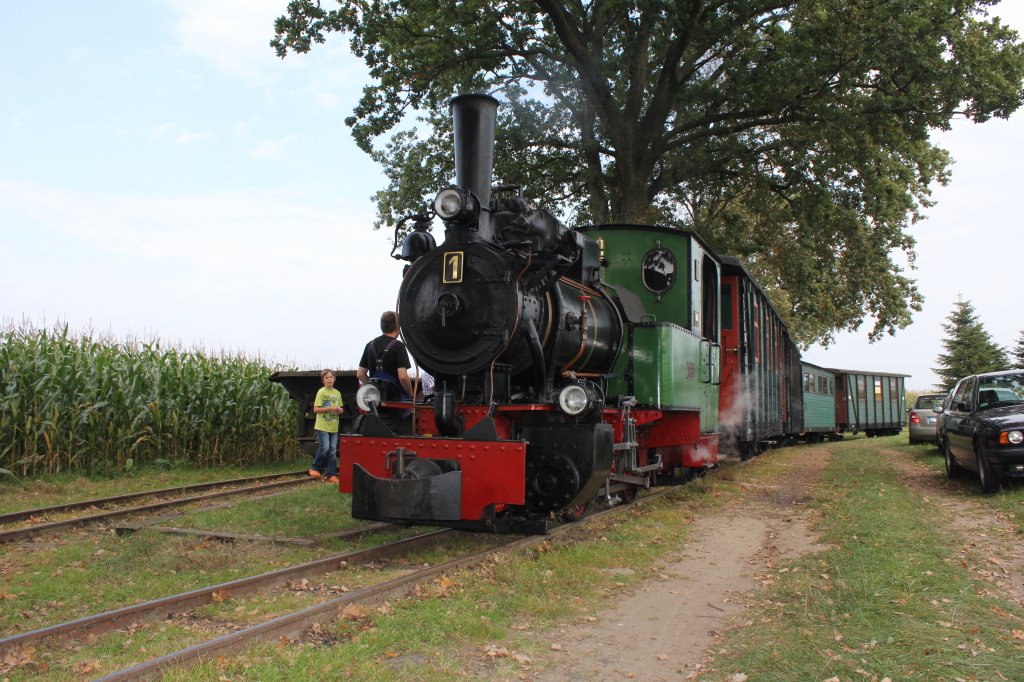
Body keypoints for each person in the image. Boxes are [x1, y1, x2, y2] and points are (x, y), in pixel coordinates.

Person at [357, 311, 414, 401]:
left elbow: (360, 374)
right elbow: (403, 377)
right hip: (396, 401)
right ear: (398, 327)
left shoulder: (370, 345)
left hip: (376, 402)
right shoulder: (399, 346)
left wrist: (374, 389)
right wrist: (411, 395)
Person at [310, 369, 342, 482]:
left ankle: (331, 474)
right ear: (323, 380)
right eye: (326, 377)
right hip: (322, 425)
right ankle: (314, 468)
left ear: (334, 379)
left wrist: (340, 410)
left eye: (331, 377)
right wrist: (331, 408)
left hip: (333, 426)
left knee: (332, 451)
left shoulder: (337, 393)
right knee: (325, 448)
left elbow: (339, 407)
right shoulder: (321, 392)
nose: (329, 379)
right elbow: (316, 409)